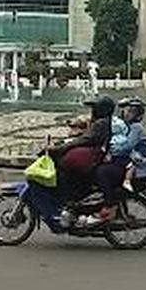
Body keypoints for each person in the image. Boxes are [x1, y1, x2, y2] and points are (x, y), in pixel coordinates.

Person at [51, 95, 116, 224]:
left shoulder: (101, 124)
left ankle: (73, 203)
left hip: (93, 157)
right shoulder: (102, 122)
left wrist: (63, 147)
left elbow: (85, 140)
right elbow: (85, 135)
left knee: (65, 167)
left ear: (101, 109)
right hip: (95, 154)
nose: (92, 111)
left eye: (94, 108)